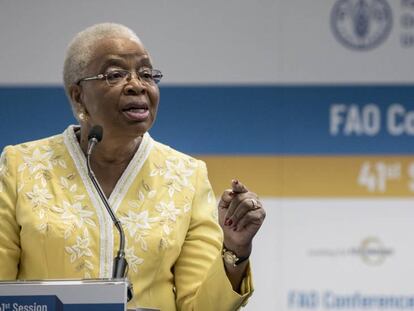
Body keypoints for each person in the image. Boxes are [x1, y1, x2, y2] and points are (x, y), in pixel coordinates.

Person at [0, 23, 265, 310]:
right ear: (78, 96)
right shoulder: (21, 166)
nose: (137, 85)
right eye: (115, 74)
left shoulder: (187, 176)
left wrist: (235, 250)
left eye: (147, 74)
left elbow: (199, 307)